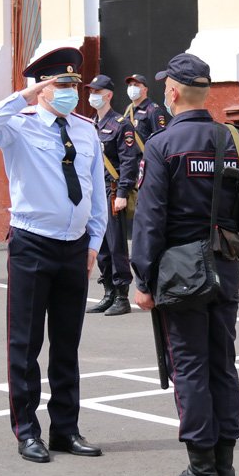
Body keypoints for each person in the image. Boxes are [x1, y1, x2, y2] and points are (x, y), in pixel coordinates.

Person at [131, 53, 239, 476]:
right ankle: (225, 469)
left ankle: (201, 472)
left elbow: (150, 221)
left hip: (180, 272)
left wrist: (142, 278)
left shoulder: (162, 144)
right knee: (222, 364)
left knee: (190, 368)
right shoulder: (237, 139)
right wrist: (233, 226)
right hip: (226, 265)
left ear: (172, 92)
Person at [0, 47, 107, 464]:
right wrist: (21, 98)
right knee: (25, 343)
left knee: (67, 344)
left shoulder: (85, 130)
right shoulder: (17, 126)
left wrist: (94, 243)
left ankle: (66, 429)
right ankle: (27, 431)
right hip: (32, 244)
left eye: (72, 86)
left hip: (75, 247)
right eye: (60, 85)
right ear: (42, 88)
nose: (69, 93)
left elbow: (96, 193)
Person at [84, 74, 141, 317]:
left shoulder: (121, 124)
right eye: (91, 92)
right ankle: (107, 291)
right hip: (93, 192)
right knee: (100, 244)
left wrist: (122, 192)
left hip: (111, 190)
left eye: (97, 92)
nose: (92, 96)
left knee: (116, 243)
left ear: (108, 95)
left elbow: (129, 161)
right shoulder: (88, 124)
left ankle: (121, 295)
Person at [123, 73, 170, 147]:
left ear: (145, 89)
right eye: (130, 85)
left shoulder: (153, 110)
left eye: (136, 85)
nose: (132, 88)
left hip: (145, 155)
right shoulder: (129, 109)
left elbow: (160, 139)